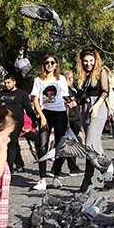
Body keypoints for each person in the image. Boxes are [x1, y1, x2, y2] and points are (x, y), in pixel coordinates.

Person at [30, 53, 72, 191]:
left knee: (60, 146)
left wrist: (72, 107)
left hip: (60, 114)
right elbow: (35, 99)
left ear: (56, 65)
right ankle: (42, 179)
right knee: (42, 146)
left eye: (52, 62)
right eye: (47, 62)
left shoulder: (61, 80)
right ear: (43, 64)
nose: (49, 65)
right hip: (45, 113)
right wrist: (41, 116)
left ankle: (56, 177)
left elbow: (66, 98)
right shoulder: (38, 80)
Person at [76, 47, 110, 192]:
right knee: (96, 146)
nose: (88, 64)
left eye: (91, 61)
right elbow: (81, 95)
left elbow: (105, 91)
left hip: (98, 107)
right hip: (85, 109)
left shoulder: (102, 71)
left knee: (89, 145)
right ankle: (108, 175)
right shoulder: (83, 76)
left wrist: (96, 106)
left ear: (96, 60)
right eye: (85, 61)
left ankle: (87, 179)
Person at [0, 74, 37, 173]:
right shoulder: (2, 94)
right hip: (4, 121)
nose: (7, 85)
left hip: (17, 121)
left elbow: (28, 108)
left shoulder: (21, 94)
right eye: (5, 83)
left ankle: (8, 168)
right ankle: (19, 163)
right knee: (10, 143)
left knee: (12, 142)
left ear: (14, 82)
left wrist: (34, 120)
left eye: (9, 82)